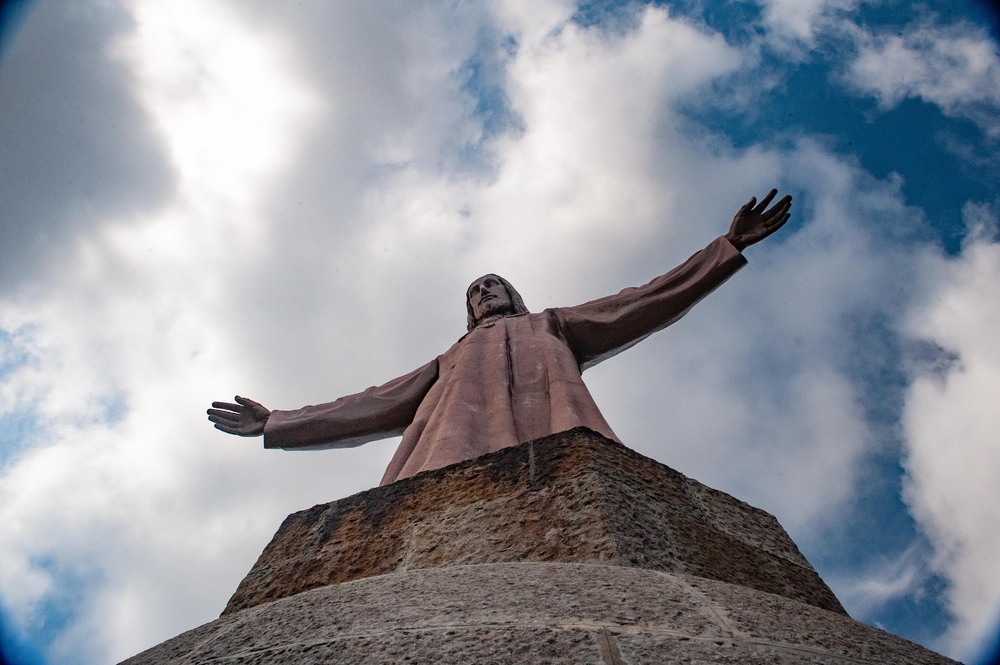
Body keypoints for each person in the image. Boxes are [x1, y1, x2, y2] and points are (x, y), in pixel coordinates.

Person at [209, 189, 791, 486]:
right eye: (476, 291)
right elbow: (369, 404)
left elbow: (641, 303)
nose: (486, 293)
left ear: (516, 295)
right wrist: (278, 422)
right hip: (442, 466)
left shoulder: (551, 325)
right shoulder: (452, 358)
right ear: (468, 310)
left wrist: (724, 249)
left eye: (495, 285)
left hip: (563, 451)